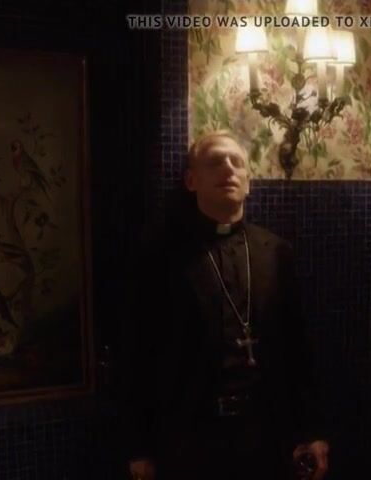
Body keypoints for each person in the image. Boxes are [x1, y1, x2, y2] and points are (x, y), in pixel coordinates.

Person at [119, 130, 329, 480]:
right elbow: (137, 354)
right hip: (190, 440)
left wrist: (311, 430)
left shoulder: (276, 252)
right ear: (191, 181)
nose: (229, 169)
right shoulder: (160, 257)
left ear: (248, 183)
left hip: (267, 436)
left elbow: (297, 347)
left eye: (237, 162)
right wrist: (139, 447)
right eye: (215, 162)